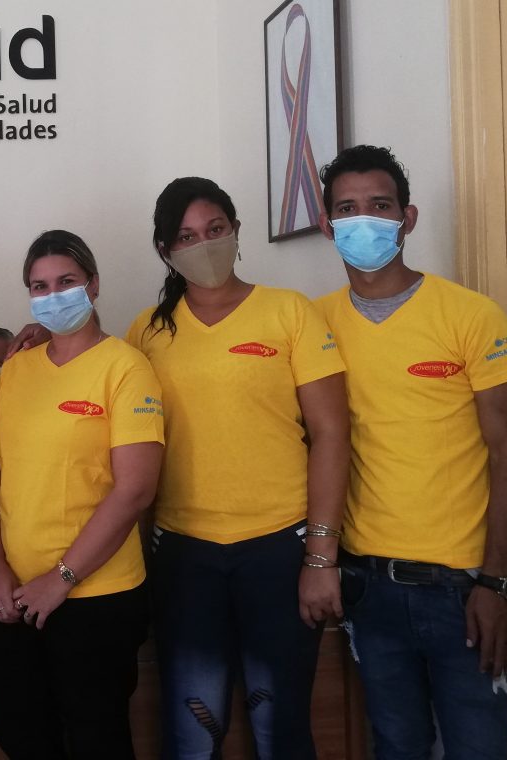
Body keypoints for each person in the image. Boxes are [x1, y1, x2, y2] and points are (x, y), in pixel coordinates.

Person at [314, 144, 507, 759]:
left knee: (480, 748)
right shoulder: (313, 323)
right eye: (347, 209)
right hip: (366, 586)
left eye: (380, 205)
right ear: (328, 226)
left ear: (407, 218)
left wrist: (499, 584)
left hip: (464, 588)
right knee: (396, 746)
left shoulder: (471, 316)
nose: (363, 220)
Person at [125, 177, 349, 759]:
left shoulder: (289, 311)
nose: (204, 245)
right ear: (165, 250)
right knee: (191, 736)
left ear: (236, 230)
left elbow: (331, 434)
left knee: (281, 730)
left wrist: (321, 556)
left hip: (280, 548)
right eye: (186, 237)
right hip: (183, 553)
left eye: (215, 229)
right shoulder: (147, 332)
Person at [0, 230, 164, 759]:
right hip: (16, 596)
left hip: (96, 597)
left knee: (97, 741)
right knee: (20, 736)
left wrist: (61, 579)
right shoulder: (17, 368)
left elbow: (136, 489)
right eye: (39, 286)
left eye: (66, 281)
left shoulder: (126, 368)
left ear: (94, 285)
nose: (52, 295)